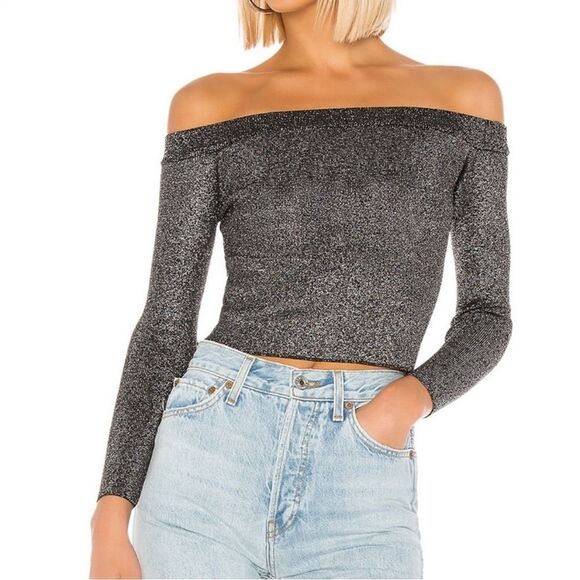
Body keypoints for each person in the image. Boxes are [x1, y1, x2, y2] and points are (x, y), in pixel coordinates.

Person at [89, 0, 512, 578]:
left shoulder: (461, 99)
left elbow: (487, 315)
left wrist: (402, 404)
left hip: (362, 469)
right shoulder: (211, 104)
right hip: (210, 452)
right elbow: (165, 326)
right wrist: (110, 516)